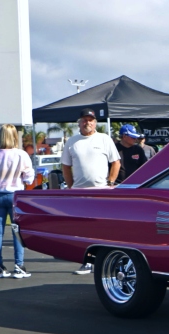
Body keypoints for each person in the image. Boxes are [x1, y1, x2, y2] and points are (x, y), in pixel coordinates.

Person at [61, 108, 121, 274]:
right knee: (81, 228)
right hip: (79, 192)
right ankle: (86, 261)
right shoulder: (72, 142)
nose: (87, 123)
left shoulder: (104, 139)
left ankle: (107, 260)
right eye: (84, 120)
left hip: (102, 191)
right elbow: (66, 166)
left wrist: (110, 183)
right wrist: (71, 186)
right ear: (79, 122)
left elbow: (116, 162)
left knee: (104, 227)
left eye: (91, 120)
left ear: (95, 123)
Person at [0, 124, 35, 278]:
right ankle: (19, 266)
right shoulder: (21, 154)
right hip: (15, 195)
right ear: (14, 137)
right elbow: (29, 177)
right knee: (16, 230)